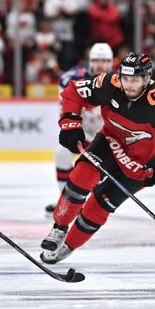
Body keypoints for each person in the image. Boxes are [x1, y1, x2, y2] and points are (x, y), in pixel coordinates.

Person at [40, 52, 155, 264]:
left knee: (99, 206)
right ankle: (59, 228)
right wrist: (70, 122)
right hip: (110, 143)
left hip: (140, 166)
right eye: (126, 78)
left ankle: (70, 245)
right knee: (80, 177)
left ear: (147, 79)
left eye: (134, 80)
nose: (128, 85)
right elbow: (74, 90)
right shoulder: (109, 82)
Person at [45, 43, 114, 217]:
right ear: (89, 61)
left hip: (107, 135)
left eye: (104, 60)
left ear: (111, 62)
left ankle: (93, 203)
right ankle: (64, 199)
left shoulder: (119, 81)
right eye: (96, 60)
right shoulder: (72, 77)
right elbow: (67, 106)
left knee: (100, 176)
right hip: (81, 131)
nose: (100, 64)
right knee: (61, 154)